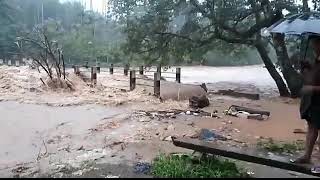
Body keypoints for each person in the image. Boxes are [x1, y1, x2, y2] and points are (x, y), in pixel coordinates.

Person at [294, 36, 320, 164]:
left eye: (315, 44)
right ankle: (307, 155)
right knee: (312, 127)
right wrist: (307, 69)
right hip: (313, 103)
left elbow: (312, 84)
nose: (313, 47)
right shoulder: (317, 60)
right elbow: (312, 78)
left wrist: (312, 89)